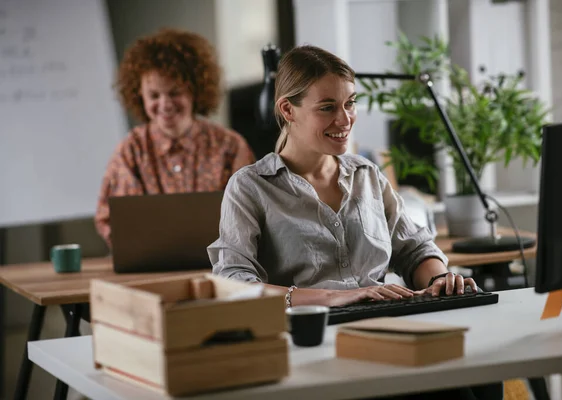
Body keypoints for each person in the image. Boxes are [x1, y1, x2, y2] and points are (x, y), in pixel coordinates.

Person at [209, 44, 503, 400]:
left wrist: (440, 278)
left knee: (487, 369)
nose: (345, 119)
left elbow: (414, 249)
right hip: (314, 348)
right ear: (288, 109)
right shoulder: (251, 187)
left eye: (350, 103)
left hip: (389, 330)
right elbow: (234, 286)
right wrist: (336, 296)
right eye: (327, 107)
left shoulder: (367, 175)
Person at [95, 29, 255, 247]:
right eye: (154, 95)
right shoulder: (131, 150)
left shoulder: (231, 147)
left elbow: (251, 214)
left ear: (195, 90)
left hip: (219, 266)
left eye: (174, 93)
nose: (164, 104)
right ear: (139, 95)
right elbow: (111, 221)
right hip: (148, 270)